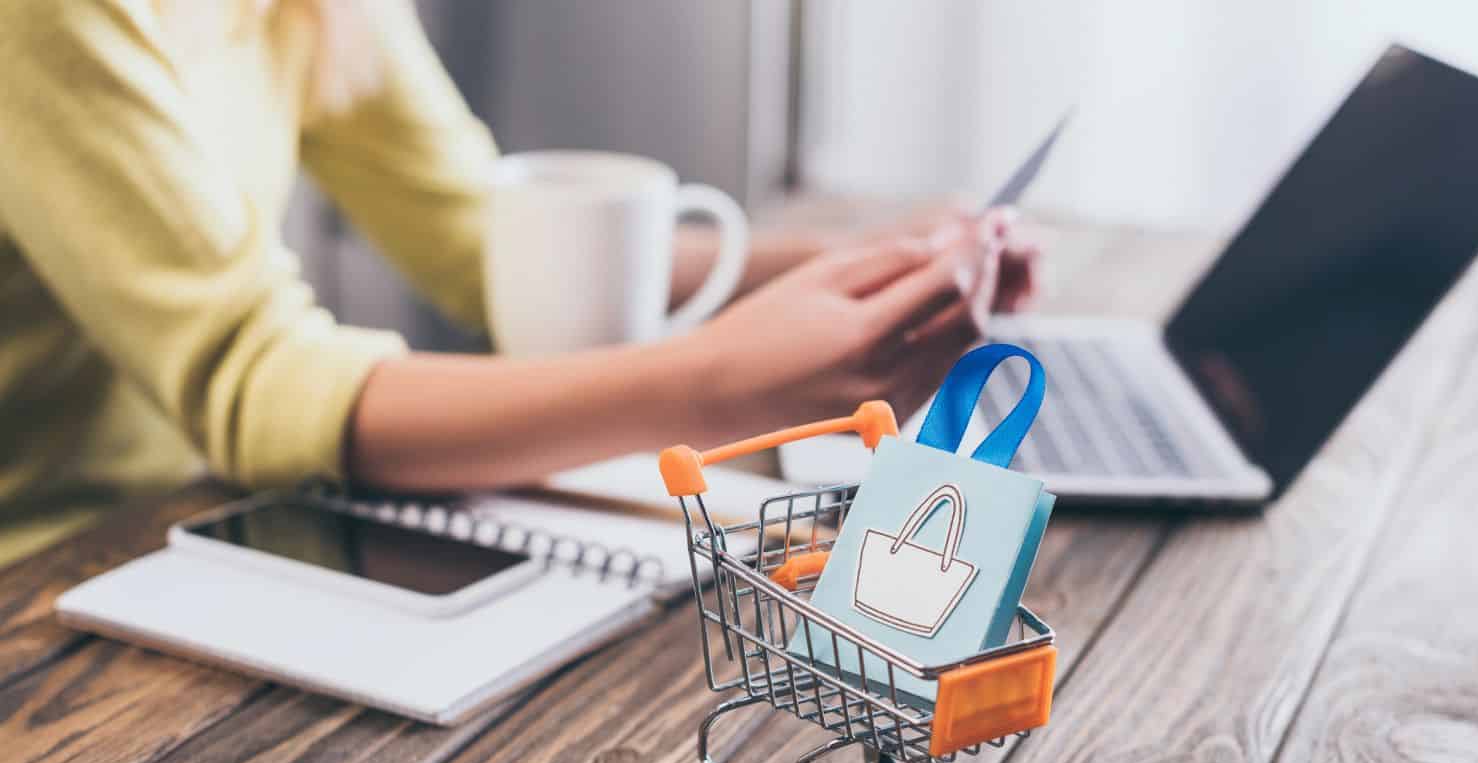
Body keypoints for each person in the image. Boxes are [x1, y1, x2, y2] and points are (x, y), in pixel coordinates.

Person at [0, 0, 1039, 565]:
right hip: (47, 572)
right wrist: (710, 382)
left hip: (200, 520)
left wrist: (859, 266)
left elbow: (479, 236)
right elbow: (253, 376)